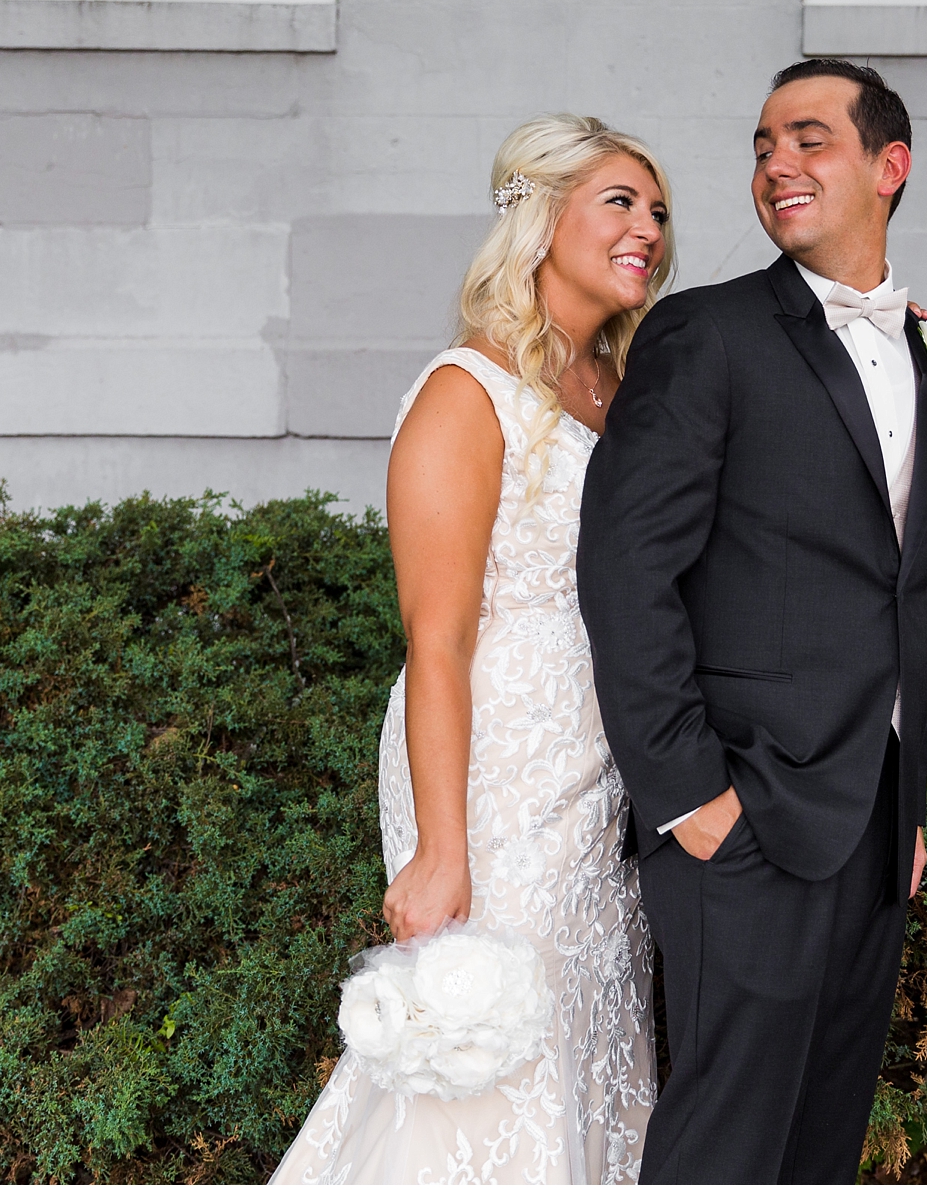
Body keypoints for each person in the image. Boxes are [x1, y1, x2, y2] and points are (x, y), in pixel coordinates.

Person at [577, 59, 927, 1184]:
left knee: (819, 1144)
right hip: (740, 813)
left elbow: (895, 589)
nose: (776, 166)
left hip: (874, 819)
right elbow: (624, 570)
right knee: (723, 1145)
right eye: (761, 145)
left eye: (808, 139)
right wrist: (689, 797)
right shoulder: (705, 336)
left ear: (888, 167)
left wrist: (909, 796)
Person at [272, 114, 676, 1185]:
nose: (649, 228)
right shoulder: (466, 391)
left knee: (586, 1028)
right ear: (540, 220)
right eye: (620, 203)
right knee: (494, 1041)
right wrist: (441, 848)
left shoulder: (623, 390)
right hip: (492, 774)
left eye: (659, 210)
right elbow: (437, 637)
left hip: (594, 784)